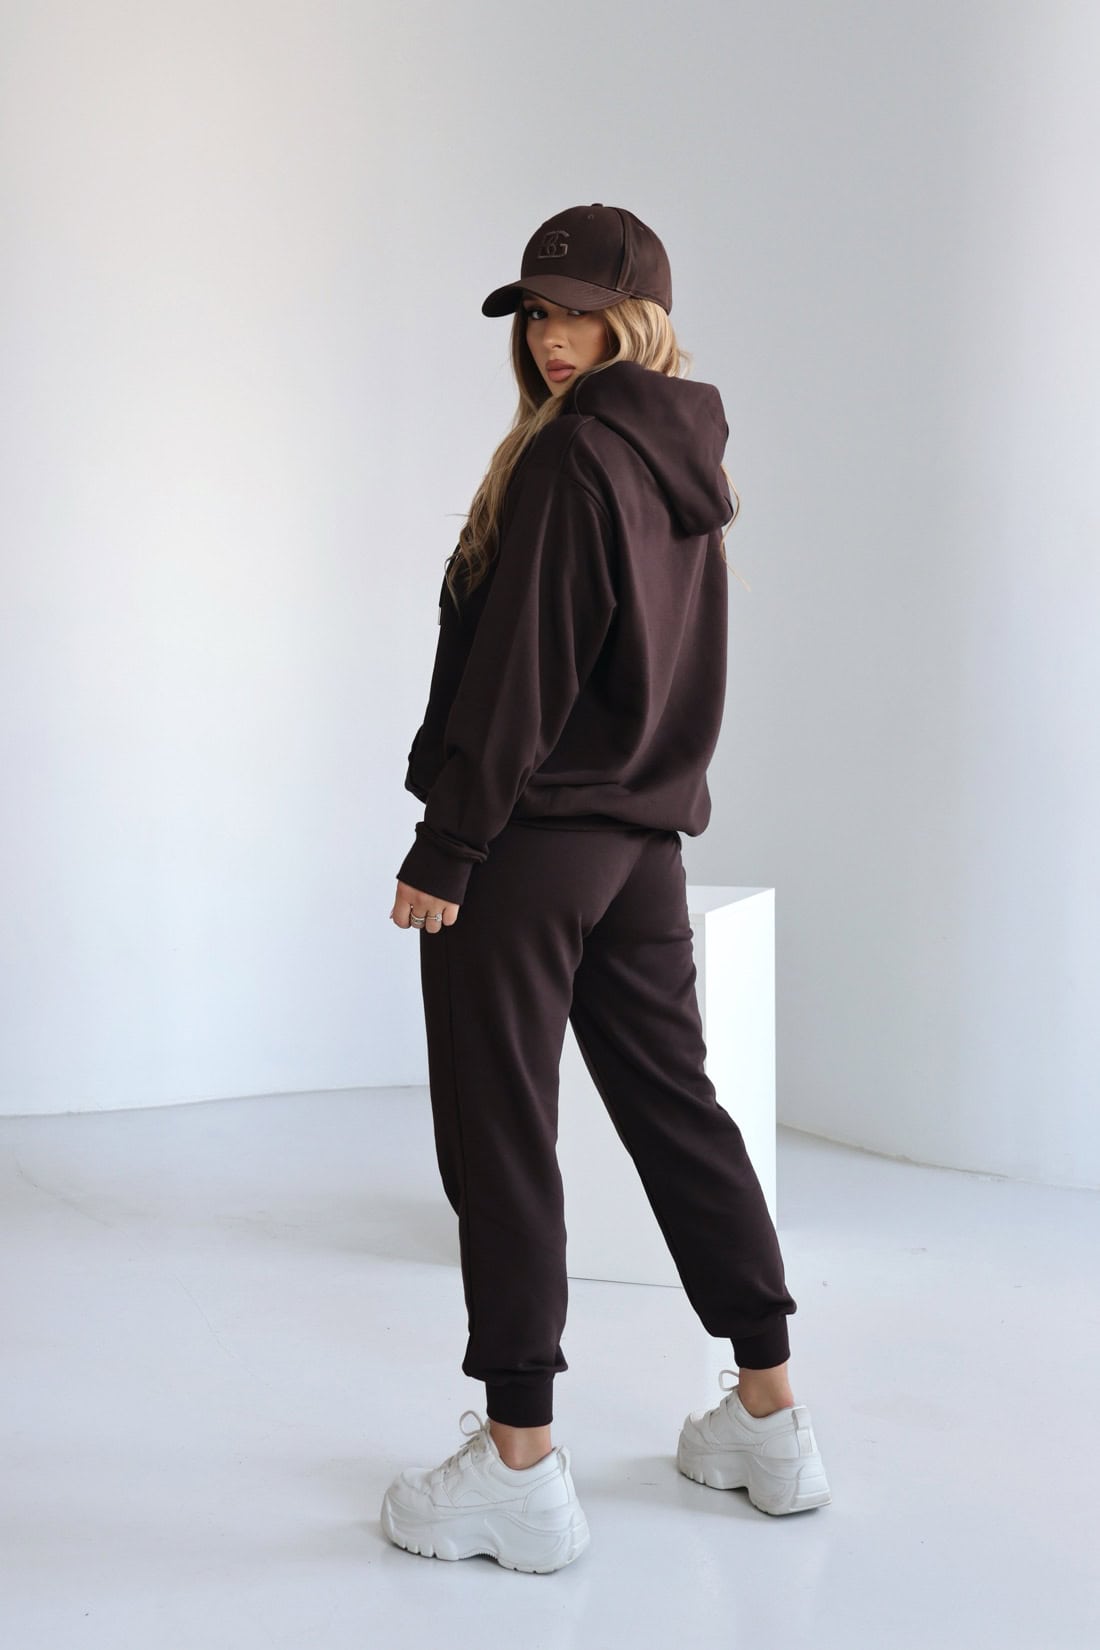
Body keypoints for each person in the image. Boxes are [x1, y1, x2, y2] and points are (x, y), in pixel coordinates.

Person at [380, 204, 830, 1573]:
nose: (552, 338)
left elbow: (526, 668)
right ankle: (770, 1415)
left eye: (578, 311)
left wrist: (450, 842)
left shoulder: (575, 455)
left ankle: (518, 1462)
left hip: (528, 840)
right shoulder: (685, 460)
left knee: (500, 1128)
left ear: (638, 317)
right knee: (677, 1107)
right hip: (641, 838)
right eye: (536, 313)